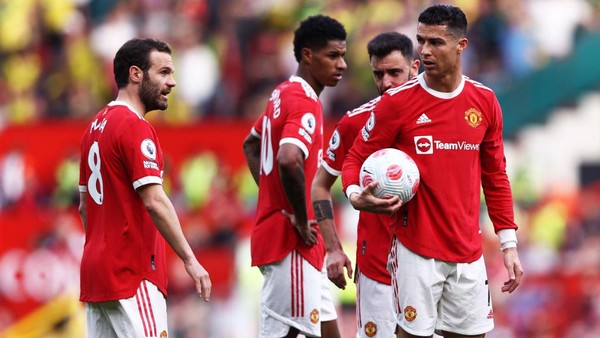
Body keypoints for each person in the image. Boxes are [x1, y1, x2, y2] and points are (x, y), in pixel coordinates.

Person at [341, 5, 524, 338]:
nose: (425, 50)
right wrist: (356, 195)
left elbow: (496, 176)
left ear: (461, 46)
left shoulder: (484, 102)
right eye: (421, 41)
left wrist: (508, 243)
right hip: (415, 250)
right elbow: (354, 159)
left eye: (436, 42)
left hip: (468, 251)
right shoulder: (397, 102)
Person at [78, 38, 211, 338]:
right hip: (131, 272)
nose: (172, 82)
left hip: (96, 275)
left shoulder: (93, 128)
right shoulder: (135, 127)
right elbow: (155, 201)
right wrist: (190, 259)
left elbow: (84, 207)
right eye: (163, 72)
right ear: (136, 75)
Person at [242, 15, 347, 338]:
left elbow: (251, 144)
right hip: (293, 240)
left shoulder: (282, 93)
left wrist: (273, 197)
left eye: (343, 55)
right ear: (307, 55)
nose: (341, 64)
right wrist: (301, 217)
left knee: (330, 332)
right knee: (287, 333)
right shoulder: (304, 102)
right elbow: (289, 159)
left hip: (294, 239)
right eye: (333, 55)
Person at [311, 32, 419, 338]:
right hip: (377, 268)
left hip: (431, 264)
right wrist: (332, 248)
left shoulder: (438, 117)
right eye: (378, 74)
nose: (385, 83)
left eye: (394, 73)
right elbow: (320, 185)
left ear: (415, 68)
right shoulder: (354, 124)